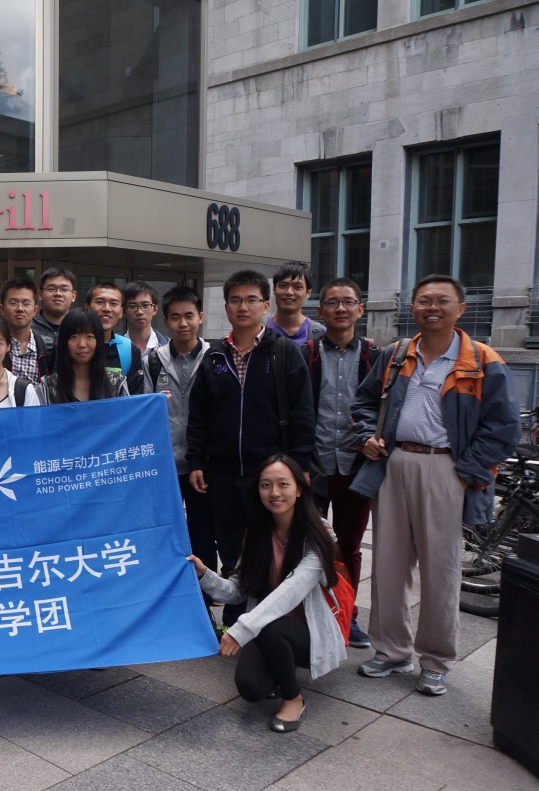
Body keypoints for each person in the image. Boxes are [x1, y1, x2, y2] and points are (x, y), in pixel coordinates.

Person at [351, 274, 519, 696]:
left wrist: (467, 469)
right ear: (412, 307)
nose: (432, 307)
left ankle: (436, 660)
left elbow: (503, 428)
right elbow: (364, 402)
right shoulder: (396, 354)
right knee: (388, 566)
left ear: (461, 309)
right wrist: (366, 436)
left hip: (447, 469)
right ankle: (391, 651)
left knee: (441, 570)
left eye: (442, 301)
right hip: (394, 463)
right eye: (424, 300)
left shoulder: (483, 361)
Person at [187, 269, 315, 634]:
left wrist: (299, 466)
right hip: (224, 472)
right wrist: (197, 461)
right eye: (235, 300)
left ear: (265, 305)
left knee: (269, 545)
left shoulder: (284, 353)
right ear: (226, 307)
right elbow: (200, 417)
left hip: (270, 474)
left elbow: (304, 414)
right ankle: (235, 619)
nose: (243, 307)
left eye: (251, 300)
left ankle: (270, 621)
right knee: (231, 548)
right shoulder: (214, 357)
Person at [189, 454, 347, 733]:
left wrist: (242, 628)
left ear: (299, 489)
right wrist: (204, 575)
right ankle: (278, 664)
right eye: (266, 485)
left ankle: (294, 698)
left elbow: (291, 590)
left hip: (308, 632)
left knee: (271, 626)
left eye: (283, 484)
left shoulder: (318, 534)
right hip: (266, 628)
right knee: (251, 688)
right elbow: (239, 590)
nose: (274, 493)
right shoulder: (257, 533)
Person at [302, 278, 378, 648]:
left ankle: (348, 615)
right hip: (313, 466)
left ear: (360, 309)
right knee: (309, 543)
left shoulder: (376, 357)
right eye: (333, 302)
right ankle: (309, 613)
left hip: (356, 466)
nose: (341, 309)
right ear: (320, 311)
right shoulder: (306, 354)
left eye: (348, 302)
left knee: (349, 545)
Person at [140, 286, 216, 577]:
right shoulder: (152, 360)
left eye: (189, 316)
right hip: (165, 464)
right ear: (165, 321)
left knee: (203, 534)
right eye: (175, 317)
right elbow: (143, 413)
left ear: (201, 317)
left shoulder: (214, 357)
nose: (183, 323)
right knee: (163, 533)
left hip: (203, 464)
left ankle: (205, 595)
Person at [37, 310, 129, 403]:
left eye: (89, 336)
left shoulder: (117, 384)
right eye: (74, 337)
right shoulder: (48, 387)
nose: (82, 344)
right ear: (64, 342)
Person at [83, 281, 143, 393]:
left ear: (121, 312)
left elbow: (134, 398)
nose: (107, 309)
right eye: (100, 302)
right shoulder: (73, 345)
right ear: (87, 308)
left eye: (114, 303)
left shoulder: (129, 350)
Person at [0, 276, 54, 384]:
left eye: (26, 303)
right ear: (2, 309)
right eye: (13, 303)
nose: (20, 308)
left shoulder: (48, 347)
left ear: (35, 310)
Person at [265, 261, 325, 345]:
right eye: (283, 285)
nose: (289, 292)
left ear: (308, 293)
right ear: (274, 289)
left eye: (297, 287)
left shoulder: (320, 335)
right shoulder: (258, 329)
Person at [122, 281, 169, 356]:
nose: (139, 312)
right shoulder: (113, 347)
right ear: (123, 311)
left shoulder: (169, 347)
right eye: (132, 306)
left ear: (155, 309)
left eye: (145, 305)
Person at [33, 267, 76, 335]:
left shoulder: (81, 328)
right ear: (40, 294)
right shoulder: (27, 327)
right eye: (51, 289)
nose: (58, 293)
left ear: (73, 296)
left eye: (64, 289)